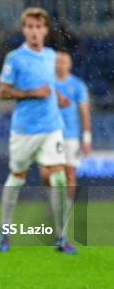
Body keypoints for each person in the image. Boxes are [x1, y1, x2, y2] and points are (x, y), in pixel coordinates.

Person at [0, 8, 70, 253]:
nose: (35, 31)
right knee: (17, 177)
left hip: (52, 126)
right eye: (30, 26)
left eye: (39, 27)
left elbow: (48, 86)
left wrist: (57, 96)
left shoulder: (52, 55)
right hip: (24, 129)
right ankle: (4, 231)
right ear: (24, 30)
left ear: (46, 30)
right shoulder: (15, 58)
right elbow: (3, 91)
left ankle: (61, 235)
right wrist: (31, 93)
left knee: (58, 177)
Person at [38, 51, 91, 253]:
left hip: (70, 136)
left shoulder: (77, 85)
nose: (60, 65)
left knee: (69, 174)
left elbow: (84, 111)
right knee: (45, 175)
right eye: (57, 62)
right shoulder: (47, 84)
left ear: (69, 65)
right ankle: (53, 202)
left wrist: (86, 137)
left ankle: (64, 212)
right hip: (49, 133)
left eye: (64, 62)